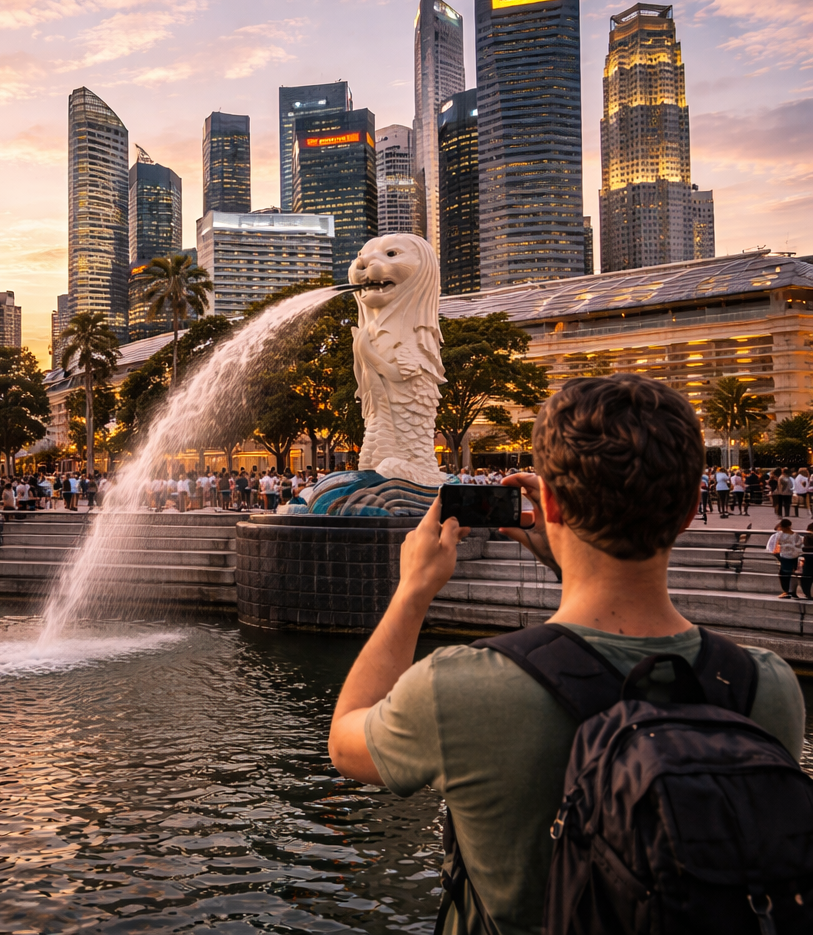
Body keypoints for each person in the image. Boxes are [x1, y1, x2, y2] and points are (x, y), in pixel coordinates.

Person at [328, 373, 805, 935]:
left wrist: (412, 593)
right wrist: (567, 563)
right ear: (692, 506)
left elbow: (345, 741)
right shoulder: (765, 686)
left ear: (548, 504)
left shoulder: (462, 689)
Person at [767, 518, 802, 598]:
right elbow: (799, 546)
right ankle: (791, 591)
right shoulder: (795, 535)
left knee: (784, 574)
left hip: (786, 556)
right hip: (793, 556)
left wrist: (783, 546)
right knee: (791, 573)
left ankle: (787, 591)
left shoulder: (780, 535)